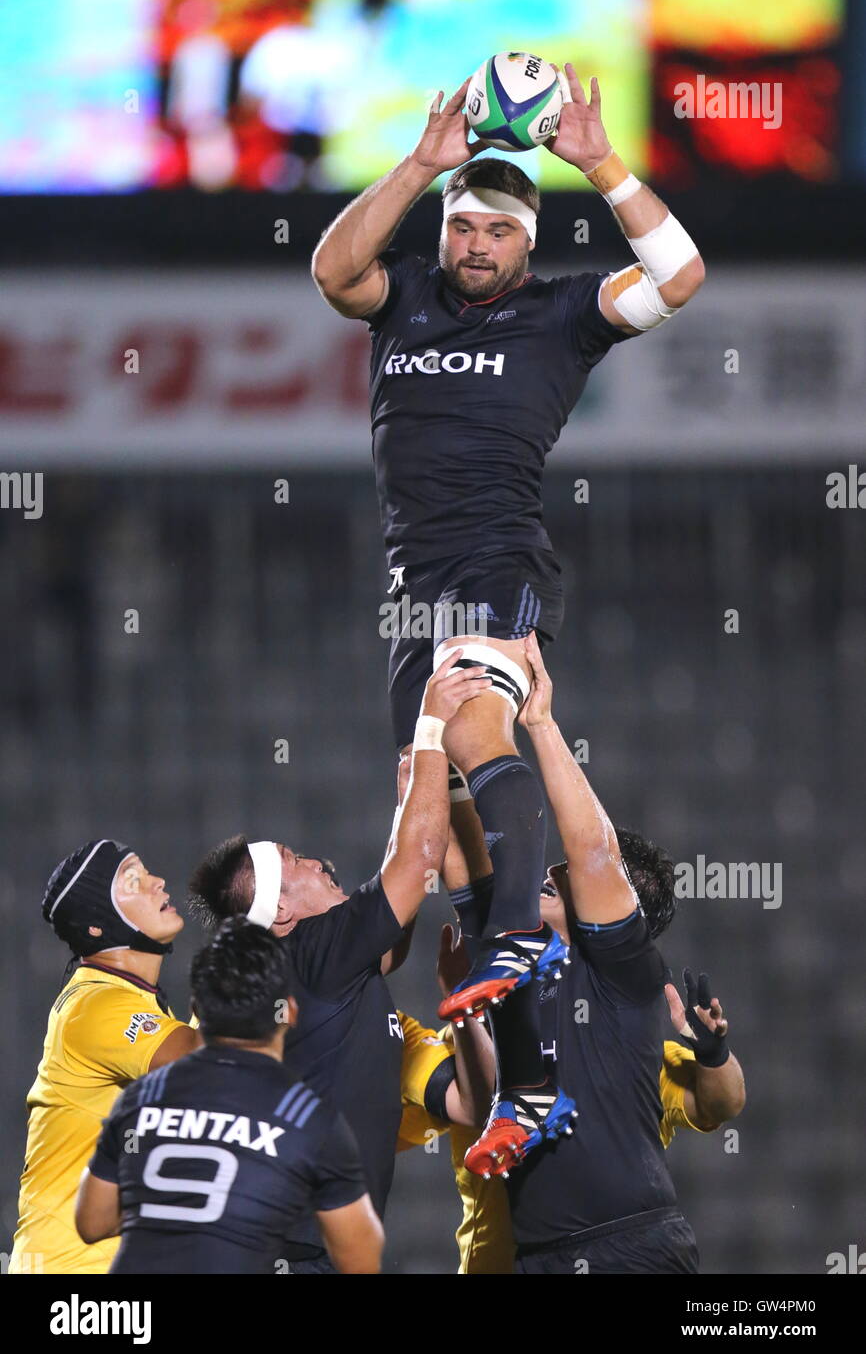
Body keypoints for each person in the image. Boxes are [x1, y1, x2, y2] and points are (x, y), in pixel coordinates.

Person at [311, 62, 706, 1145]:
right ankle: (530, 1078)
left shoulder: (560, 314)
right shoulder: (405, 298)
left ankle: (519, 940)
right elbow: (331, 270)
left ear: (528, 244)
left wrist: (600, 163)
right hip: (411, 591)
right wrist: (418, 166)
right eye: (461, 226)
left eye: (495, 230)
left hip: (498, 567)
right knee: (439, 841)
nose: (474, 245)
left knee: (479, 727)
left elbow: (676, 276)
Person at [446, 633, 745, 1272]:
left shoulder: (626, 976)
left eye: (574, 878)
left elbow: (722, 1106)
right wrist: (430, 733)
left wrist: (541, 723)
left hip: (631, 1247)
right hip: (539, 1257)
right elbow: (457, 854)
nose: (551, 869)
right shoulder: (507, 947)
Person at [186, 653, 486, 1270]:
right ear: (280, 916)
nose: (318, 863)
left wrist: (410, 801)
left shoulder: (308, 968)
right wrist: (430, 726)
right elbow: (417, 861)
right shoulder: (311, 954)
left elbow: (389, 930)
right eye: (296, 863)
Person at [76, 918, 383, 1274]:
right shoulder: (308, 1120)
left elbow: (92, 1221)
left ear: (196, 1006)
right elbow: (360, 1260)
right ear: (290, 1011)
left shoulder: (142, 1098)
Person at [401, 962, 745, 1274]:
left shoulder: (626, 1056)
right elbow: (475, 1099)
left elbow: (721, 1104)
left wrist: (714, 1055)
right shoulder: (455, 1051)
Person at [9, 841, 197, 1274]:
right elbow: (204, 1068)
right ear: (98, 926)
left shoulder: (135, 1003)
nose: (157, 882)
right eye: (133, 880)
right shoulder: (95, 1005)